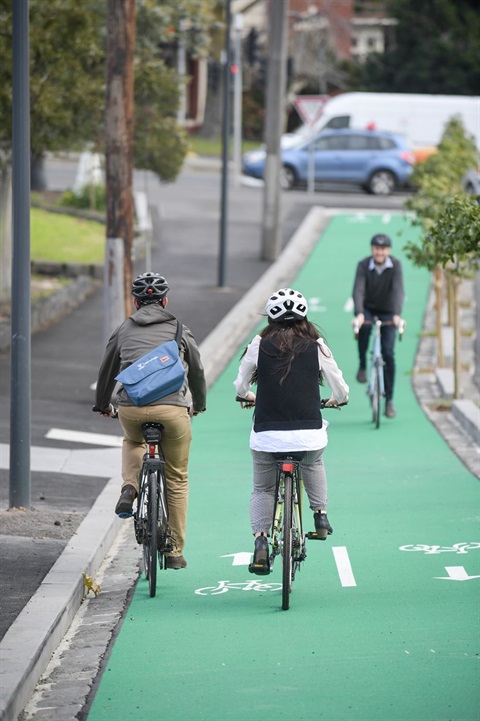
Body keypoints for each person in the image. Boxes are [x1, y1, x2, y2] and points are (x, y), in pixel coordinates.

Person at [93, 272, 207, 570]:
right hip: (172, 409)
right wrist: (200, 404)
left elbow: (107, 371)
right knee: (177, 478)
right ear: (165, 301)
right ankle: (174, 552)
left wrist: (103, 403)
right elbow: (196, 371)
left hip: (131, 407)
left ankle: (130, 487)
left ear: (135, 302)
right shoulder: (180, 329)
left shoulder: (122, 330)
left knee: (133, 440)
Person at [233, 288, 349, 575]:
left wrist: (248, 396)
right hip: (307, 433)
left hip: (267, 436)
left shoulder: (259, 344)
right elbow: (339, 386)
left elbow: (240, 385)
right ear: (304, 317)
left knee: (263, 487)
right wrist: (339, 399)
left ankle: (261, 541)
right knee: (313, 460)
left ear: (270, 319)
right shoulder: (316, 345)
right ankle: (320, 516)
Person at [352, 233, 404, 419]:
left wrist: (397, 315)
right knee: (364, 328)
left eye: (382, 249)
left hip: (389, 312)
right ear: (372, 249)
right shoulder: (364, 265)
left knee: (388, 353)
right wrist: (359, 312)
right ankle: (362, 365)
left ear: (388, 251)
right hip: (367, 309)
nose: (379, 252)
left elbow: (398, 290)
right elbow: (358, 289)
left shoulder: (395, 266)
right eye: (376, 248)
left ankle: (389, 400)